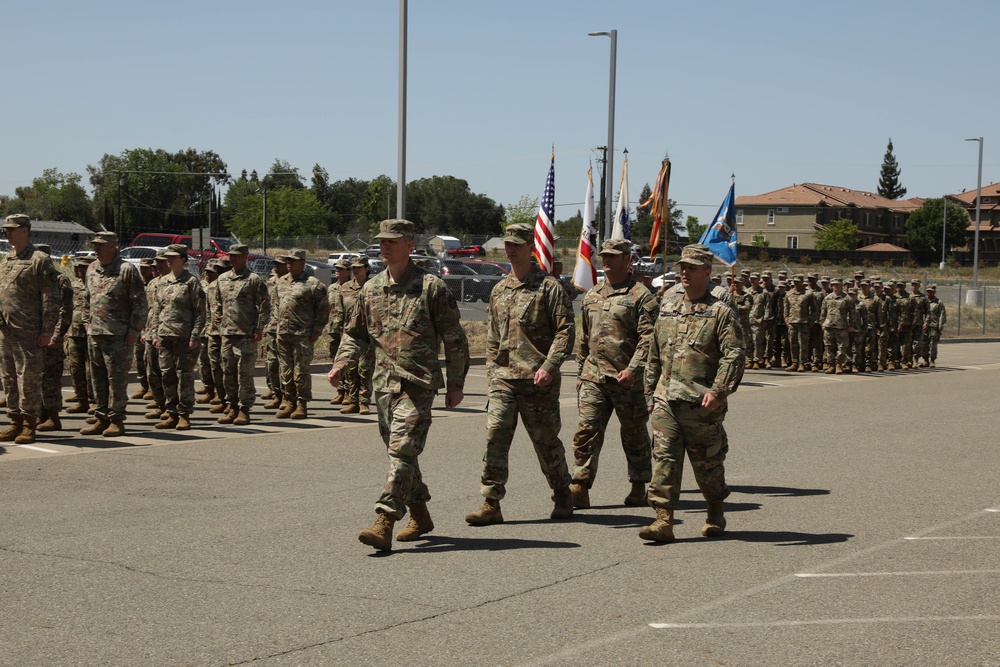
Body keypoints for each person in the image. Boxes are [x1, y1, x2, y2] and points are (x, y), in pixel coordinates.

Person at [328, 219, 469, 552]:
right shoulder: (372, 288)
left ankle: (385, 520)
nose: (385, 245)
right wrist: (339, 364)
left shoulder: (431, 287)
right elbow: (356, 334)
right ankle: (420, 515)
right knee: (403, 457)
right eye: (382, 240)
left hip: (418, 384)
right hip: (383, 387)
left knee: (402, 450)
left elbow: (455, 339)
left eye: (392, 240)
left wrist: (456, 384)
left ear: (409, 245)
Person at [465, 223, 576, 526]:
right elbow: (492, 337)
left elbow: (566, 332)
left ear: (531, 247)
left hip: (538, 379)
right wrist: (491, 373)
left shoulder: (548, 287)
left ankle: (563, 492)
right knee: (495, 435)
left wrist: (549, 367)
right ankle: (491, 502)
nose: (510, 249)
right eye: (507, 244)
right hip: (504, 378)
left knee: (545, 441)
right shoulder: (500, 290)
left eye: (516, 244)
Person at [640, 244, 745, 542]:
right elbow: (654, 353)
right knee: (664, 459)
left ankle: (715, 510)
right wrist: (650, 393)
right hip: (666, 399)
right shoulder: (668, 308)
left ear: (707, 272)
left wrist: (719, 390)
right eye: (682, 267)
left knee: (707, 465)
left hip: (702, 404)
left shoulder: (720, 312)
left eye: (692, 268)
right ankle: (663, 520)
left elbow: (734, 355)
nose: (684, 272)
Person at [569, 238, 658, 509]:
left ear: (627, 259)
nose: (606, 260)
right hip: (594, 377)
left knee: (634, 433)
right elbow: (584, 336)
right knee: (587, 430)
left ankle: (639, 484)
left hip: (627, 379)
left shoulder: (641, 296)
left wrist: (634, 369)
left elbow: (649, 339)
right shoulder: (592, 294)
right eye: (604, 256)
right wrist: (581, 370)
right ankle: (580, 485)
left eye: (613, 256)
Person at [0, 214, 61, 445]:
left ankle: (29, 424)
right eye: (7, 229)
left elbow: (50, 298)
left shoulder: (39, 259)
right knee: (9, 378)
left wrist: (47, 330)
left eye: (13, 229)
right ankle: (14, 422)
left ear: (26, 230)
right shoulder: (7, 259)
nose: (8, 233)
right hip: (7, 329)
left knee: (29, 379)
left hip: (29, 331)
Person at [80, 232, 148, 437]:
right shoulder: (92, 269)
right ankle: (101, 417)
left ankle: (117, 420)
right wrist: (87, 325)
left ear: (112, 246)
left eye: (101, 245)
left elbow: (140, 304)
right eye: (95, 245)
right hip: (95, 333)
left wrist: (134, 331)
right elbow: (86, 299)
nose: (96, 248)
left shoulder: (126, 270)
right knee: (97, 379)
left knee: (116, 380)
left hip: (118, 335)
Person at [214, 244, 270, 425]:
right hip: (226, 334)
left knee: (244, 374)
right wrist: (217, 324)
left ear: (245, 257)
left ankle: (244, 409)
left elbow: (264, 306)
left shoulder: (253, 280)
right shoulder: (222, 279)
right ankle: (232, 407)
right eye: (231, 256)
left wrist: (259, 329)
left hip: (245, 334)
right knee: (228, 373)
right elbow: (216, 304)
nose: (233, 259)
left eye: (237, 256)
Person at [151, 244, 206, 431]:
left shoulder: (191, 282)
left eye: (173, 257)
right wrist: (155, 333)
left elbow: (200, 312)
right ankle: (171, 412)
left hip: (184, 336)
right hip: (165, 335)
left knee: (184, 376)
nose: (169, 260)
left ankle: (184, 414)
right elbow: (157, 309)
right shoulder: (162, 281)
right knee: (167, 375)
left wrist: (195, 336)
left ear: (183, 259)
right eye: (168, 257)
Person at [274, 249, 329, 419]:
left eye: (293, 260)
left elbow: (323, 310)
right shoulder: (281, 282)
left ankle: (302, 404)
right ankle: (289, 402)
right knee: (285, 370)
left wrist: (316, 332)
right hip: (283, 333)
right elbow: (276, 305)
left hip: (302, 335)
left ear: (302, 262)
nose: (289, 263)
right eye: (288, 260)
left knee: (301, 371)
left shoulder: (313, 284)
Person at [34, 244, 74, 432]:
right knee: (38, 379)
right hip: (35, 337)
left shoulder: (60, 280)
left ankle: (53, 417)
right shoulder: (35, 280)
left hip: (51, 338)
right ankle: (41, 414)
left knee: (50, 379)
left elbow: (65, 312)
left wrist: (56, 337)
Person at [339, 256, 374, 415]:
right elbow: (340, 311)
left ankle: (364, 402)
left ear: (366, 268)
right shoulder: (345, 287)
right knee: (351, 369)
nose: (355, 270)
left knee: (365, 369)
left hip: (368, 336)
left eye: (358, 267)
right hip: (350, 334)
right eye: (353, 267)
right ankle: (353, 401)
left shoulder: (373, 287)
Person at [142, 249, 170, 420]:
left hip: (168, 334)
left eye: (161, 262)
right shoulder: (152, 284)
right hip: (151, 333)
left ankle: (171, 406)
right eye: (156, 263)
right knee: (152, 371)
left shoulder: (174, 283)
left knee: (168, 372)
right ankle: (160, 404)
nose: (157, 265)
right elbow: (148, 310)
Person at [65, 255, 95, 414]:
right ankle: (81, 399)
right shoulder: (74, 285)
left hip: (91, 333)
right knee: (75, 368)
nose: (79, 270)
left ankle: (95, 399)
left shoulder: (95, 284)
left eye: (82, 267)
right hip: (74, 332)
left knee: (93, 371)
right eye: (77, 267)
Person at [262, 255, 289, 409]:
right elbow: (267, 305)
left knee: (285, 365)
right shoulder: (272, 282)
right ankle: (276, 393)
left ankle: (287, 396)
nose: (275, 267)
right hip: (272, 328)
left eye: (279, 264)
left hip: (287, 329)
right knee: (272, 363)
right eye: (275, 264)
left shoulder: (290, 283)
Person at [327, 258, 352, 406]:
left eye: (341, 269)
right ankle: (340, 391)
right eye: (336, 268)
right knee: (335, 360)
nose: (337, 271)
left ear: (348, 272)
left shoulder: (351, 288)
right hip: (333, 329)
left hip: (347, 329)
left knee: (346, 361)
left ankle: (349, 392)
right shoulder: (332, 288)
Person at [195, 260, 219, 405]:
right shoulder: (202, 285)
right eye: (206, 272)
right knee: (203, 361)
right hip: (203, 329)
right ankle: (208, 388)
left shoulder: (221, 286)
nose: (208, 275)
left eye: (211, 272)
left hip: (216, 330)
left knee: (216, 363)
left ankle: (219, 391)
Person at [819, 279, 854, 374]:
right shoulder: (827, 298)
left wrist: (850, 325)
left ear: (842, 285)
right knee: (829, 347)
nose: (835, 286)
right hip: (829, 325)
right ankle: (831, 365)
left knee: (841, 347)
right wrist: (822, 323)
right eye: (833, 285)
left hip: (841, 326)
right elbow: (823, 312)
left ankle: (839, 365)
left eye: (837, 285)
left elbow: (852, 313)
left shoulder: (847, 298)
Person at [133, 258, 156, 400]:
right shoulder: (138, 285)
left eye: (146, 268)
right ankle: (144, 386)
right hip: (138, 327)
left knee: (151, 362)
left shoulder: (155, 284)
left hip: (150, 327)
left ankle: (154, 390)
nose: (143, 271)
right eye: (141, 268)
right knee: (139, 358)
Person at [783, 274, 815, 372]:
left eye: (798, 281)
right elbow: (786, 308)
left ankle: (802, 363)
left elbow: (814, 309)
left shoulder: (808, 293)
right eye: (795, 281)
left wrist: (811, 320)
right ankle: (794, 362)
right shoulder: (789, 293)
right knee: (793, 343)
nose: (796, 283)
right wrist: (787, 319)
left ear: (802, 282)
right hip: (792, 322)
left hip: (803, 322)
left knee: (803, 344)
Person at [921, 284, 946, 367]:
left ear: (934, 292)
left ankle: (932, 360)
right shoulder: (923, 301)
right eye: (928, 291)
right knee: (924, 344)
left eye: (931, 291)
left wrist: (940, 326)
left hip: (934, 326)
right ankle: (925, 360)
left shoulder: (938, 302)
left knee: (933, 345)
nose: (929, 293)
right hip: (924, 325)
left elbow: (942, 315)